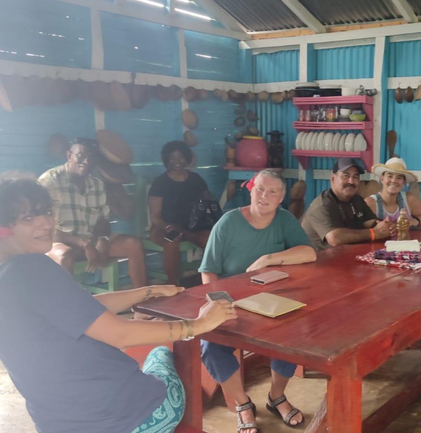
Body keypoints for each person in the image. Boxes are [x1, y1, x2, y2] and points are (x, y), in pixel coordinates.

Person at [0, 178, 237, 433]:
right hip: (127, 421)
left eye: (47, 213)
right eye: (29, 218)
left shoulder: (0, 277)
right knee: (161, 353)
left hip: (60, 424)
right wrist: (198, 324)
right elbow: (119, 334)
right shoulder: (36, 268)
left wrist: (146, 292)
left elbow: (81, 307)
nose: (46, 223)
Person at [199, 169, 316, 432]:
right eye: (260, 189)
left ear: (281, 198)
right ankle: (242, 403)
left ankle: (276, 397)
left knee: (294, 332)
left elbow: (309, 252)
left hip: (272, 300)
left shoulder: (284, 220)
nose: (264, 195)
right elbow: (208, 271)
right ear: (250, 189)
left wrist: (269, 258)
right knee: (210, 345)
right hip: (232, 300)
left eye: (272, 191)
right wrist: (219, 304)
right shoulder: (228, 223)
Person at [39, 137, 147, 288]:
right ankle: (66, 307)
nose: (86, 162)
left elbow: (103, 218)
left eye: (91, 158)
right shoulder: (50, 182)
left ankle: (142, 301)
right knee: (65, 256)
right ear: (69, 155)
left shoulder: (96, 184)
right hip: (61, 242)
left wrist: (102, 239)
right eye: (81, 156)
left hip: (91, 241)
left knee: (133, 244)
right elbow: (45, 228)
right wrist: (84, 244)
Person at [148, 140, 213, 284]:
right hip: (164, 228)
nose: (177, 161)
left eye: (181, 157)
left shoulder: (195, 179)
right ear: (167, 160)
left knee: (211, 237)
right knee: (172, 238)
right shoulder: (160, 182)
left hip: (192, 227)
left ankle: (211, 279)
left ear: (187, 158)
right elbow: (155, 217)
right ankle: (172, 285)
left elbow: (208, 201)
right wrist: (167, 227)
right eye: (172, 158)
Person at [301, 157, 396, 251]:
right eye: (346, 176)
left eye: (355, 177)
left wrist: (386, 226)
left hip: (346, 256)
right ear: (333, 179)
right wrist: (373, 233)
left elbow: (370, 223)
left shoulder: (357, 199)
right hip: (319, 261)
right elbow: (335, 238)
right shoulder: (322, 205)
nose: (351, 181)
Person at [365, 157, 421, 226]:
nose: (393, 181)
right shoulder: (370, 203)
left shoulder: (409, 199)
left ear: (404, 182)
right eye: (390, 176)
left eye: (399, 178)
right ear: (382, 179)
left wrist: (414, 221)